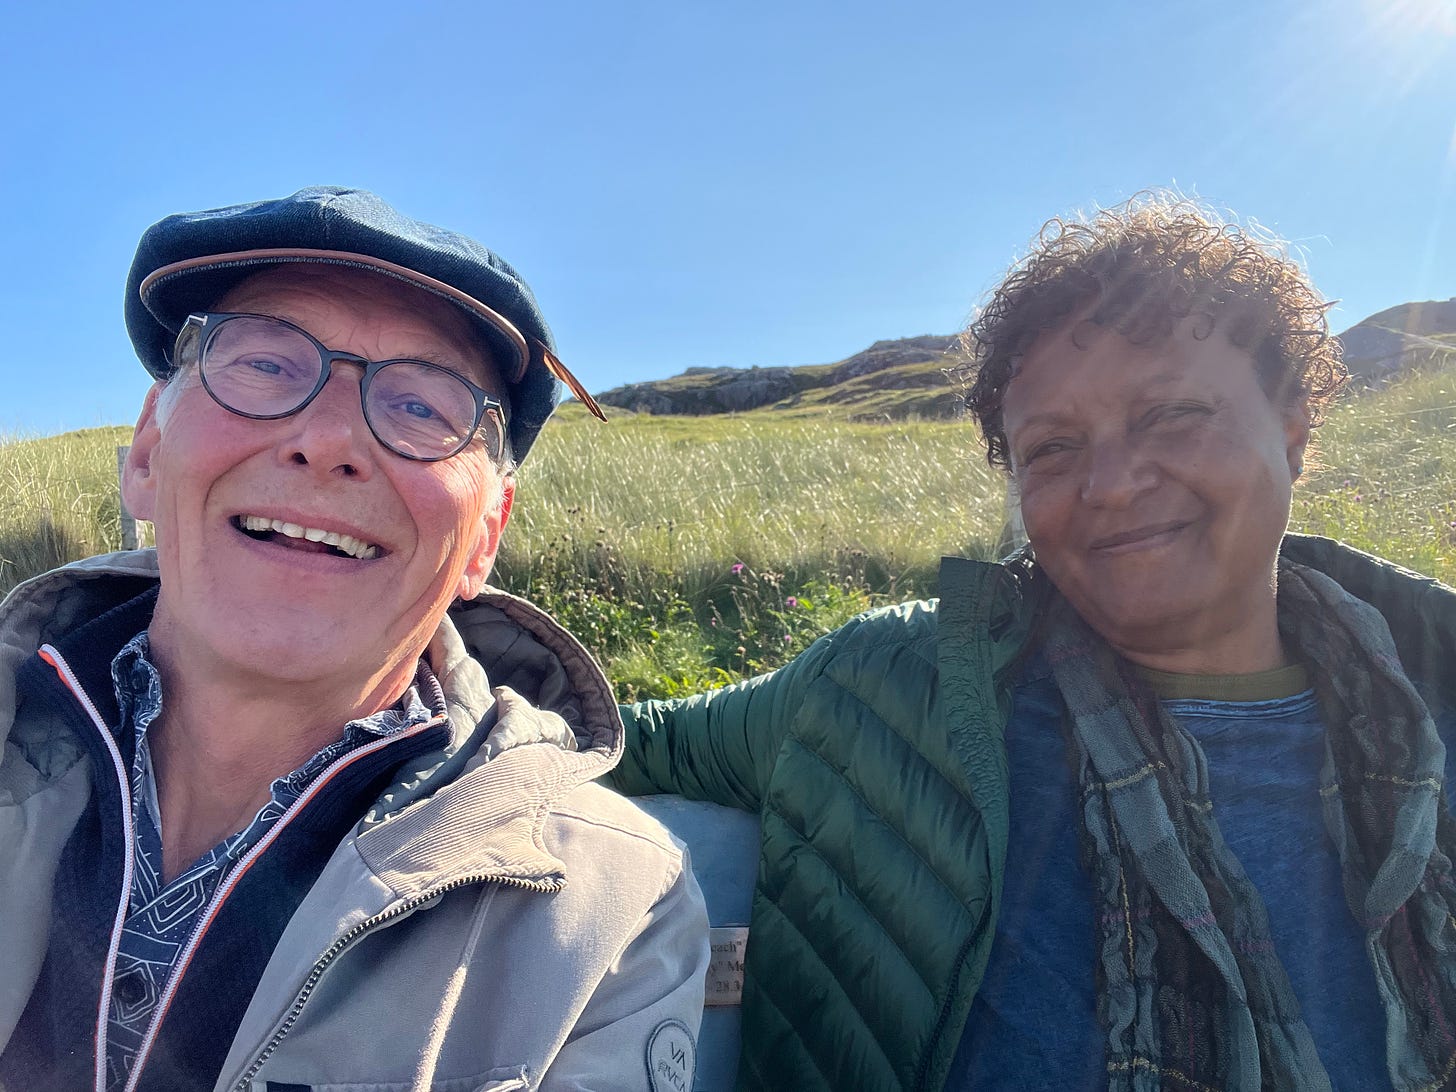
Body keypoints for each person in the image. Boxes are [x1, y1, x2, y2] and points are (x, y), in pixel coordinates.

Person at [607, 194, 1456, 1090]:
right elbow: (603, 736)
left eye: (1171, 413)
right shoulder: (882, 688)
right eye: (1052, 448)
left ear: (1292, 431)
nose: (1113, 484)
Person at [0, 186, 708, 1092]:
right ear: (146, 452)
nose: (328, 439)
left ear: (485, 538)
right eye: (262, 363)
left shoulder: (609, 916)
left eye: (422, 405)